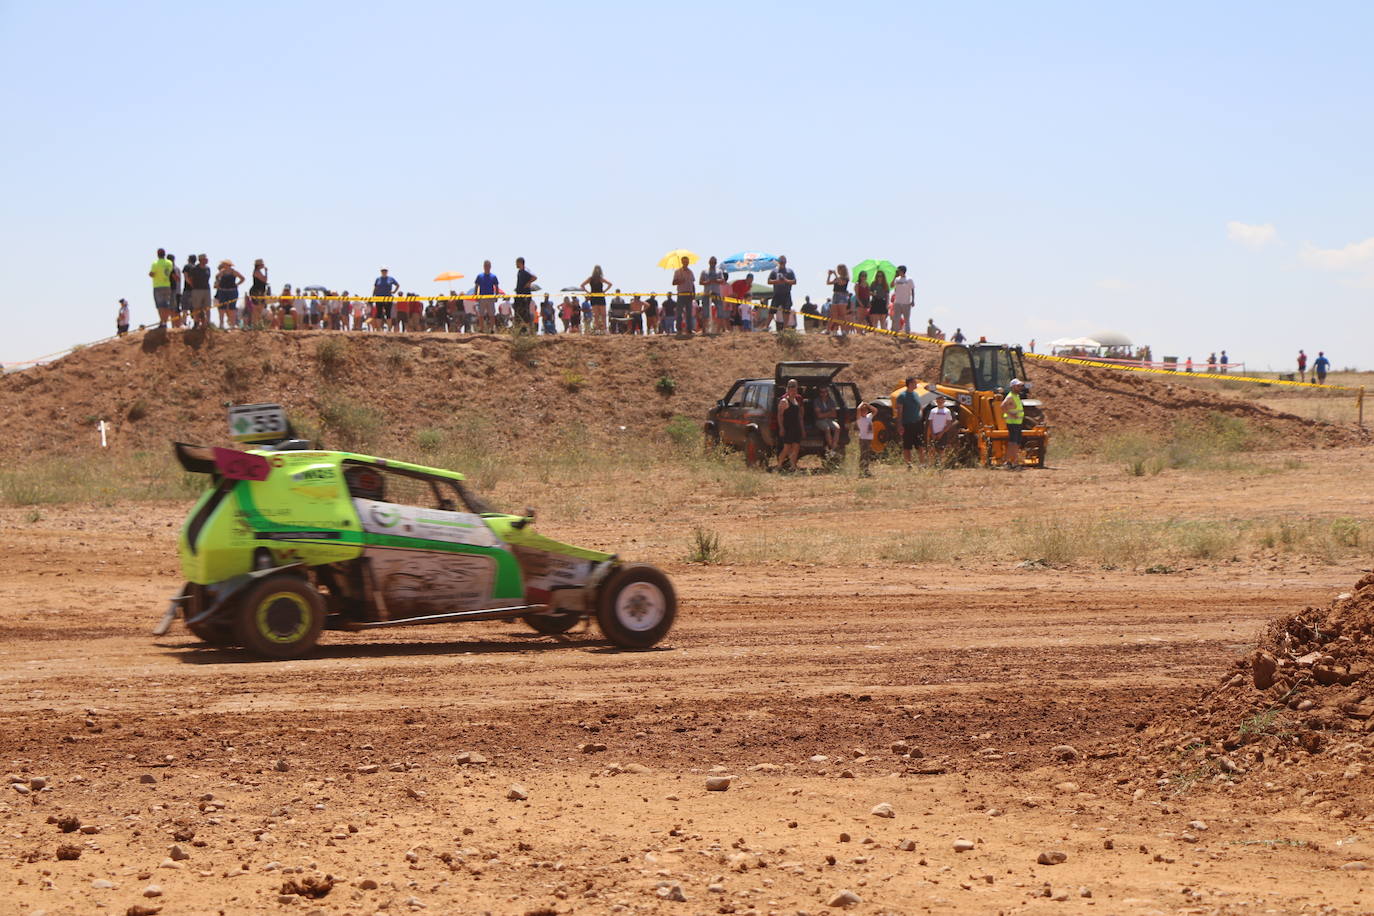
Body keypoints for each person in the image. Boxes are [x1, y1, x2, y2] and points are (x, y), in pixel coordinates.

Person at [895, 376, 923, 468]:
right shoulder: (902, 396)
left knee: (920, 445)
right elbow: (899, 412)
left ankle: (922, 464)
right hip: (907, 424)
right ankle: (909, 465)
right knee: (907, 446)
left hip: (917, 423)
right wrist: (899, 425)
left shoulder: (916, 394)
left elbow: (920, 407)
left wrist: (920, 416)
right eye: (914, 383)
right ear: (910, 384)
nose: (916, 384)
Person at [777, 379, 804, 472]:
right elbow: (780, 415)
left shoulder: (797, 400)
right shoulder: (784, 401)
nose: (792, 389)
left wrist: (802, 429)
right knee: (786, 448)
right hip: (788, 428)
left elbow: (800, 416)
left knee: (796, 447)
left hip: (796, 427)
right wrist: (781, 428)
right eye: (790, 387)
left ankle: (793, 467)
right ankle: (779, 465)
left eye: (794, 386)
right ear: (787, 388)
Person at [766, 255, 796, 333]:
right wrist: (777, 281)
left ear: (786, 262)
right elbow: (769, 281)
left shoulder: (790, 271)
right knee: (772, 311)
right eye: (781, 261)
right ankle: (766, 327)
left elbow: (794, 281)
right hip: (777, 294)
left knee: (786, 311)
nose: (782, 262)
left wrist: (785, 280)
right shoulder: (774, 271)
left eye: (783, 261)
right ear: (779, 262)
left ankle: (785, 328)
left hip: (786, 294)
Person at [180, 253, 211, 329]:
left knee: (207, 307)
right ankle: (196, 322)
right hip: (197, 290)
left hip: (206, 290)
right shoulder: (194, 269)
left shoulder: (207, 268)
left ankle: (207, 323)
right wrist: (193, 285)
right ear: (200, 260)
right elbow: (189, 278)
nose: (206, 260)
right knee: (196, 307)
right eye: (205, 259)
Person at [1002, 379, 1026, 470]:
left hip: (1017, 423)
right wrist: (1011, 415)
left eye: (1020, 386)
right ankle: (1014, 463)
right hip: (1013, 423)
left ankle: (1008, 462)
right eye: (1018, 386)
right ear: (1012, 387)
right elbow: (1002, 406)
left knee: (1014, 443)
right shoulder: (1010, 397)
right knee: (1014, 443)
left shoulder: (1016, 396)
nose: (1020, 387)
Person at [581, 265, 611, 334]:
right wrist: (588, 292)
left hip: (600, 297)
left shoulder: (601, 278)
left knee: (603, 314)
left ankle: (604, 330)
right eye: (596, 269)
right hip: (594, 297)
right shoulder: (590, 278)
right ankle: (597, 330)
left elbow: (610, 284)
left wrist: (604, 291)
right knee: (596, 315)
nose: (597, 271)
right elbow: (582, 285)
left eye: (598, 269)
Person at [700, 256, 726, 334]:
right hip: (707, 293)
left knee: (720, 311)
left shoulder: (719, 271)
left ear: (716, 263)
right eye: (711, 262)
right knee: (705, 312)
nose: (713, 264)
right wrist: (708, 282)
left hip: (716, 292)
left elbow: (722, 281)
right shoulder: (704, 271)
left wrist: (715, 280)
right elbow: (700, 282)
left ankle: (719, 329)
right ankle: (704, 329)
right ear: (709, 262)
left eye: (714, 262)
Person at [214, 259, 244, 328]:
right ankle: (221, 324)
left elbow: (242, 278)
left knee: (232, 308)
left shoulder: (234, 272)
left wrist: (237, 284)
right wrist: (218, 282)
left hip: (232, 291)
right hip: (223, 291)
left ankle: (232, 324)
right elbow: (216, 276)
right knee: (222, 307)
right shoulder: (222, 272)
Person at [925, 394, 956, 460]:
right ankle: (932, 465)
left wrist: (941, 433)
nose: (940, 401)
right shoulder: (933, 411)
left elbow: (949, 423)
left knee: (942, 449)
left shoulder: (947, 411)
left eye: (942, 399)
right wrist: (932, 433)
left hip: (943, 433)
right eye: (939, 400)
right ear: (936, 401)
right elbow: (930, 423)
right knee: (932, 449)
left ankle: (941, 466)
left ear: (944, 401)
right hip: (933, 432)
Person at [473, 261, 500, 333]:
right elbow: (476, 286)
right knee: (481, 314)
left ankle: (492, 329)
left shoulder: (493, 276)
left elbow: (496, 287)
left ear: (490, 267)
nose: (486, 267)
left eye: (488, 266)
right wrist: (476, 295)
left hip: (490, 297)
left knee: (491, 314)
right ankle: (481, 329)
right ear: (483, 266)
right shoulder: (480, 276)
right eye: (485, 266)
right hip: (482, 297)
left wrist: (496, 296)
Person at [672, 256, 696, 335]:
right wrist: (680, 281)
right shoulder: (678, 272)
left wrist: (694, 294)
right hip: (681, 294)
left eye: (687, 261)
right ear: (682, 262)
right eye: (684, 261)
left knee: (689, 313)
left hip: (689, 294)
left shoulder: (690, 272)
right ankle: (679, 329)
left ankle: (689, 329)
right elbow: (673, 282)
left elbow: (693, 284)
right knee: (679, 313)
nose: (686, 263)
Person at [813, 385, 840, 454]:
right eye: (822, 392)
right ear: (819, 393)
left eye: (825, 392)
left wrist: (824, 414)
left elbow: (834, 414)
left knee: (837, 428)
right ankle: (831, 448)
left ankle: (833, 449)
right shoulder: (816, 401)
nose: (824, 393)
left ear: (827, 392)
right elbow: (819, 416)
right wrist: (829, 413)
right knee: (827, 429)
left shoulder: (831, 401)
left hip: (830, 420)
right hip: (819, 421)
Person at [513, 257, 537, 331]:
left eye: (517, 263)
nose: (516, 264)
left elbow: (534, 277)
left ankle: (530, 329)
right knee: (518, 311)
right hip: (519, 295)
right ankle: (521, 329)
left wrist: (528, 283)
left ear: (520, 263)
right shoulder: (520, 271)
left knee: (525, 312)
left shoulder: (525, 271)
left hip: (525, 295)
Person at [826, 264, 850, 335]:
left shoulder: (846, 278)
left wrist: (835, 274)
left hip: (842, 296)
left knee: (842, 315)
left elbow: (841, 283)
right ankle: (830, 330)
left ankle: (844, 330)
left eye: (839, 269)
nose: (838, 270)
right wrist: (829, 275)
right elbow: (828, 283)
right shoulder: (837, 278)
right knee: (834, 315)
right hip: (835, 295)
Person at [891, 265, 915, 333]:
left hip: (906, 302)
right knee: (896, 318)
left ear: (902, 271)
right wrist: (894, 277)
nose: (898, 272)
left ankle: (907, 333)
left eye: (898, 270)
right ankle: (895, 332)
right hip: (897, 302)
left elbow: (912, 290)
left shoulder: (909, 279)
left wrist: (913, 300)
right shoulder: (897, 279)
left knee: (906, 319)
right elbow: (891, 285)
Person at [855, 402, 875, 477]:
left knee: (867, 455)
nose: (864, 412)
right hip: (863, 439)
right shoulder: (860, 419)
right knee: (863, 455)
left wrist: (868, 405)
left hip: (869, 439)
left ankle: (866, 470)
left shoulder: (868, 417)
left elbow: (875, 411)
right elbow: (858, 409)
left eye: (865, 410)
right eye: (862, 411)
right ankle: (862, 471)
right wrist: (861, 404)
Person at [247, 259, 268, 327]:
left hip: (260, 291)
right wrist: (266, 272)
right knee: (256, 308)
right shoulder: (257, 272)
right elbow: (264, 280)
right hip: (257, 292)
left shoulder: (258, 272)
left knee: (260, 308)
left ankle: (257, 323)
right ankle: (255, 324)